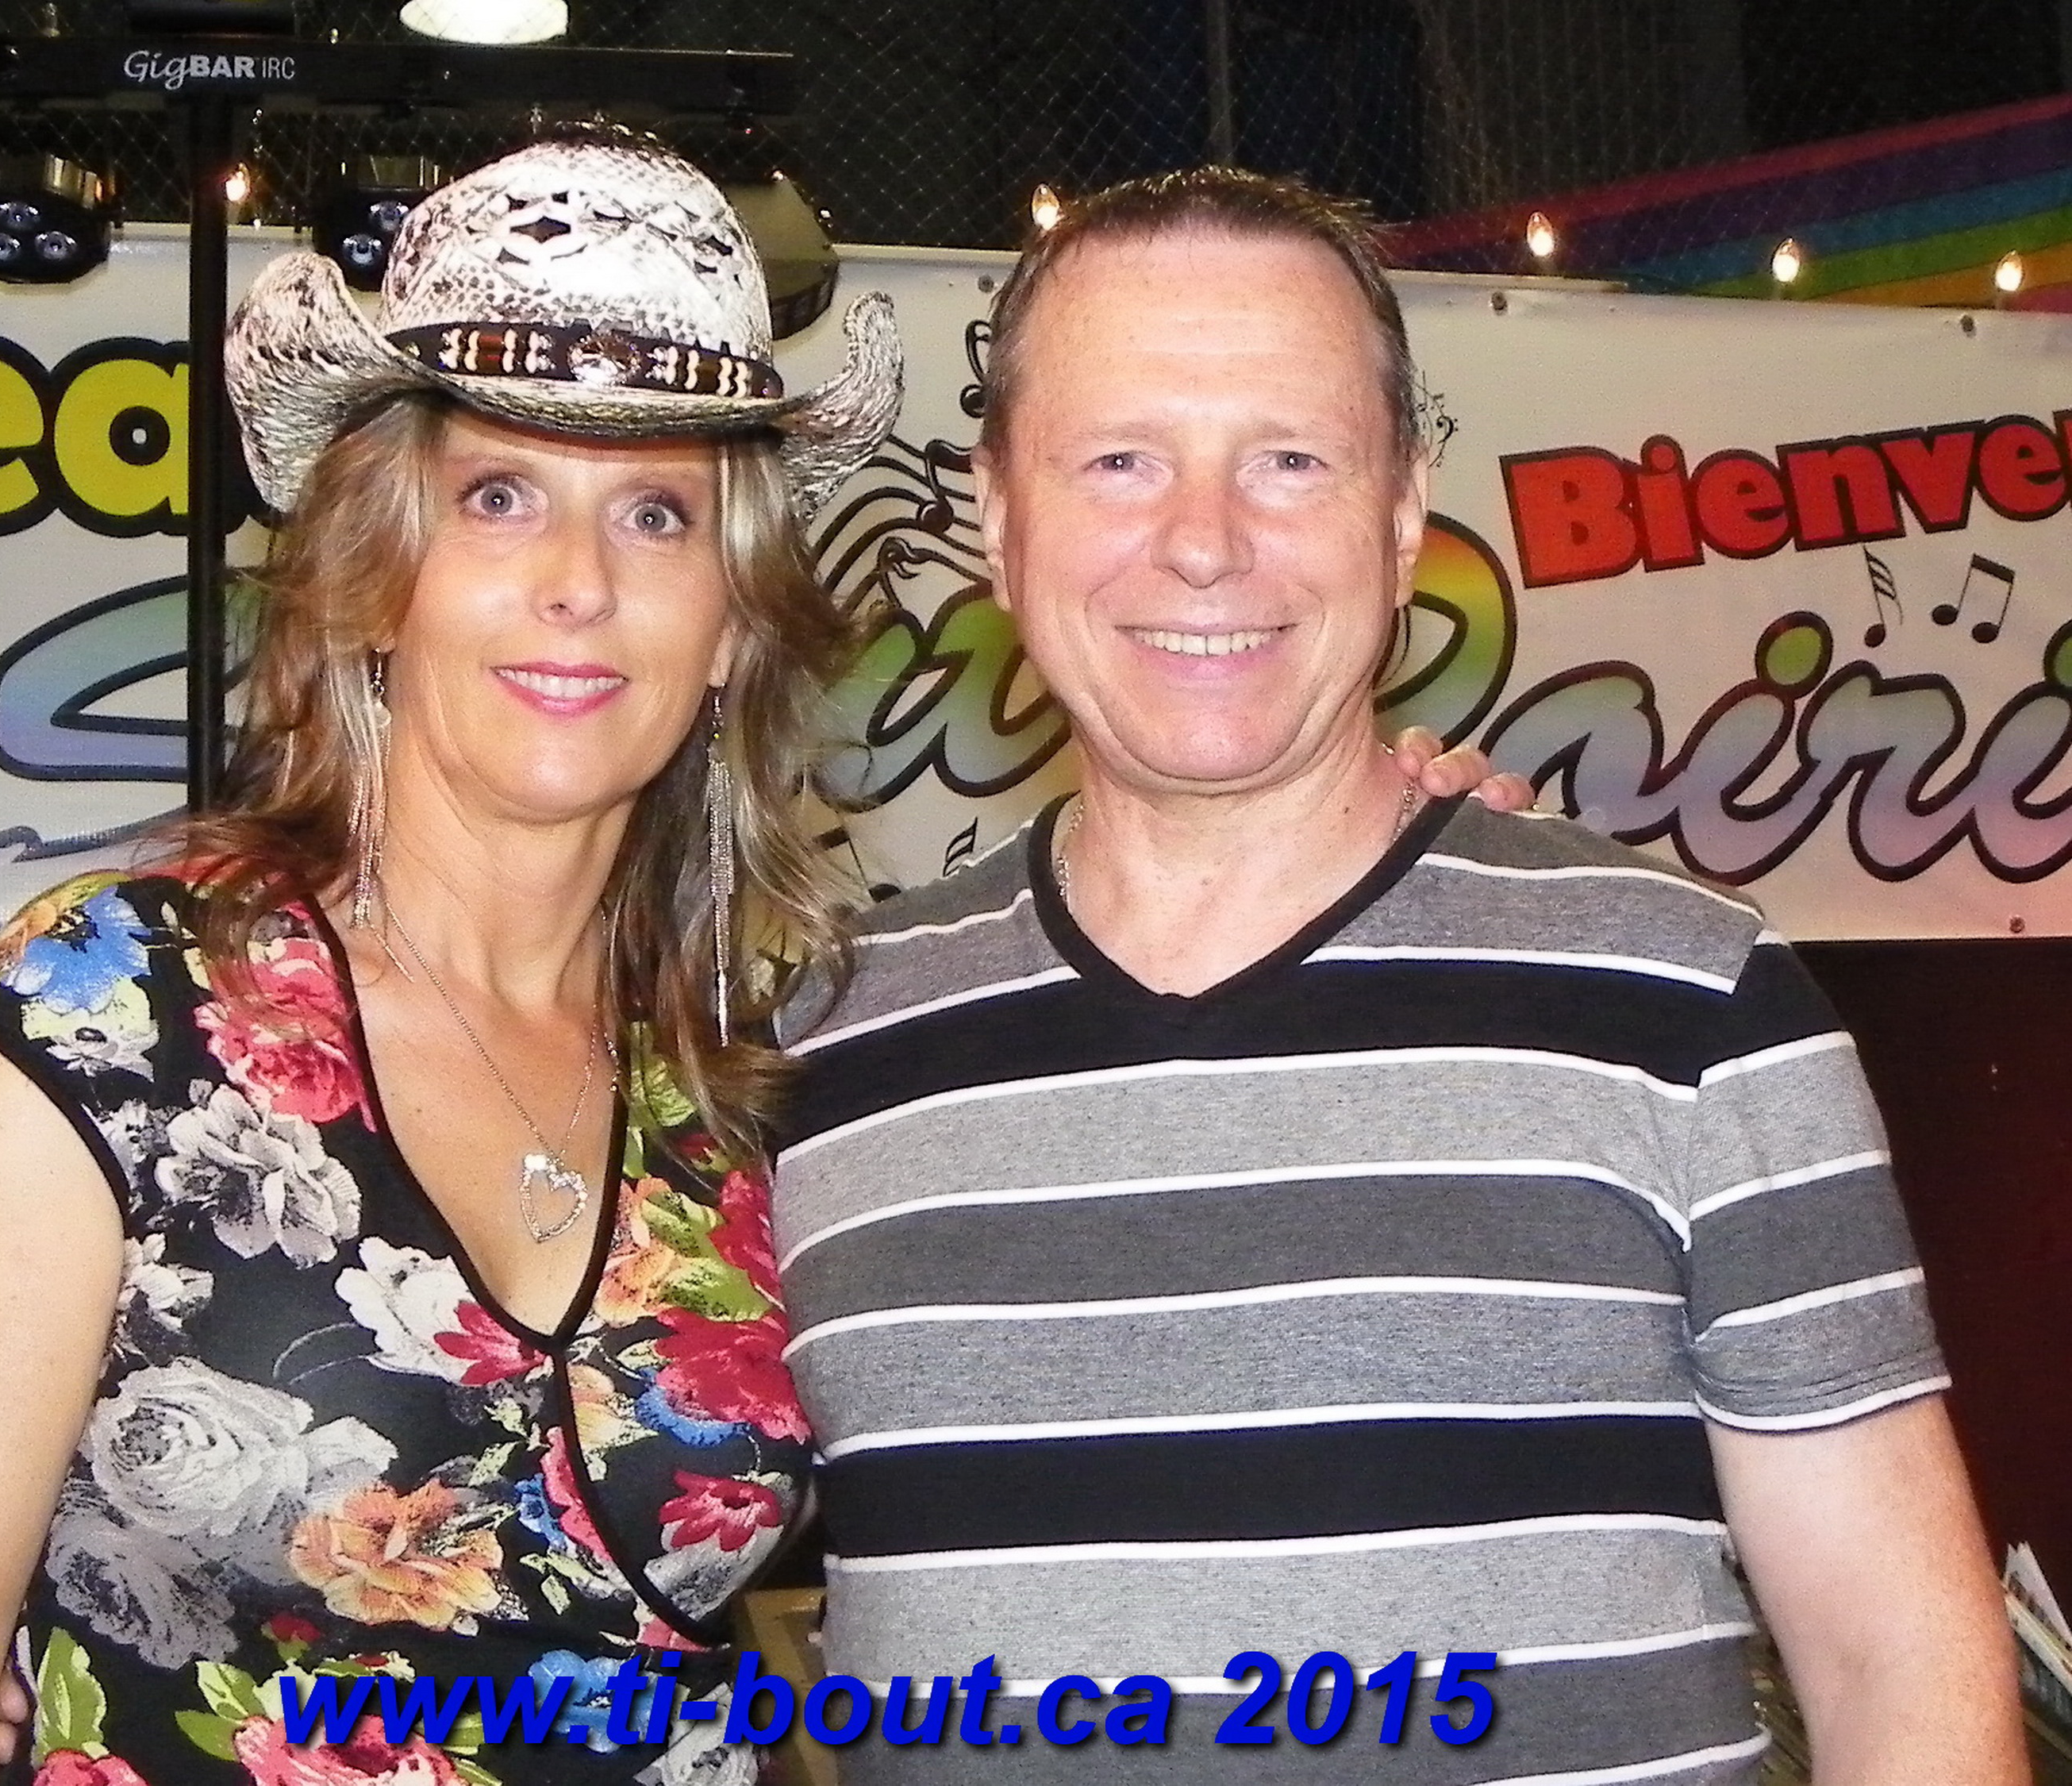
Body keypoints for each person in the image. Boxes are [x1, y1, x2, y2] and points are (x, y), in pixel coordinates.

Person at [770, 169, 2028, 1782]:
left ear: (1402, 513)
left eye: (1289, 459)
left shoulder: (1691, 1002)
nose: (1205, 543)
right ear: (1002, 522)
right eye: (1120, 460)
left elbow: (1898, 1669)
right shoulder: (822, 1045)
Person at [0, 129, 906, 1786]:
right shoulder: (117, 1012)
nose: (579, 585)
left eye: (658, 515)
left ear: (732, 627)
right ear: (379, 578)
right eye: (499, 497)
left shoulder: (755, 1074)